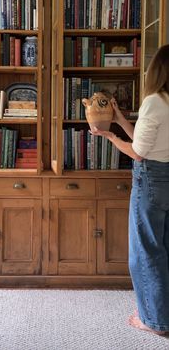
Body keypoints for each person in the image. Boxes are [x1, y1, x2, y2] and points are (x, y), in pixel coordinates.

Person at [90, 44, 169, 335]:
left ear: (156, 72)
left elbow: (138, 152)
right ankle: (162, 314)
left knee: (145, 251)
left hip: (151, 180)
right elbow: (148, 141)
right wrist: (121, 119)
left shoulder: (154, 102)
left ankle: (154, 322)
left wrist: (109, 135)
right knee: (164, 248)